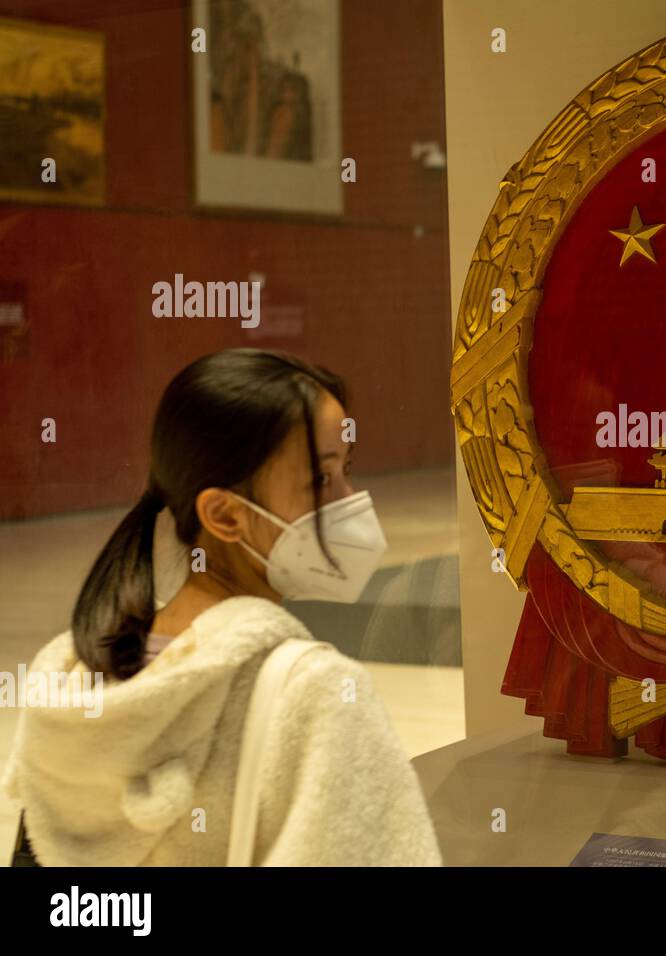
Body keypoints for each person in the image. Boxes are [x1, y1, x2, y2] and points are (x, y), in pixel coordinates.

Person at [2, 348, 442, 866]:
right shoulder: (316, 695)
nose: (352, 501)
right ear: (225, 516)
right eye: (322, 480)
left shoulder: (74, 682)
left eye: (347, 470)